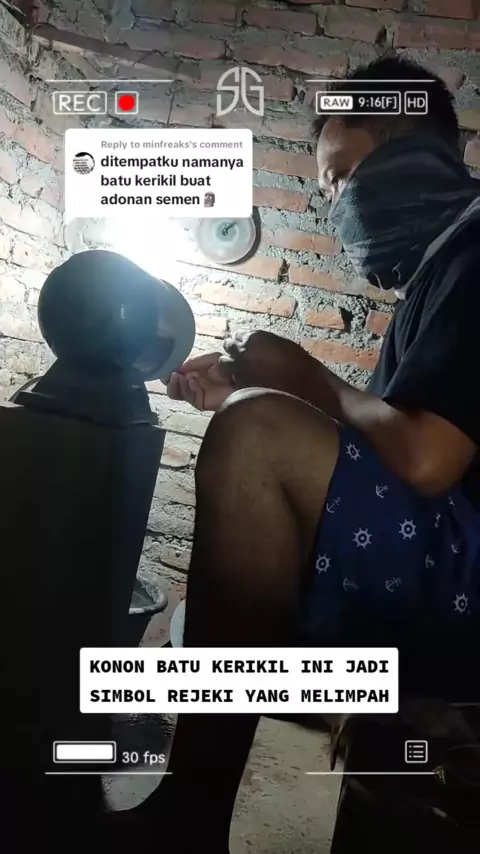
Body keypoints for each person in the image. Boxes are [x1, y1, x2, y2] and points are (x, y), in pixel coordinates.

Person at [112, 57, 480, 851]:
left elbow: (427, 461)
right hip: (449, 543)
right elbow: (389, 445)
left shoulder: (477, 255)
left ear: (414, 154)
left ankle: (187, 820)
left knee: (257, 433)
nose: (336, 209)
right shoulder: (440, 273)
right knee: (202, 590)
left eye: (343, 179)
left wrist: (299, 382)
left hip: (467, 562)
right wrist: (258, 392)